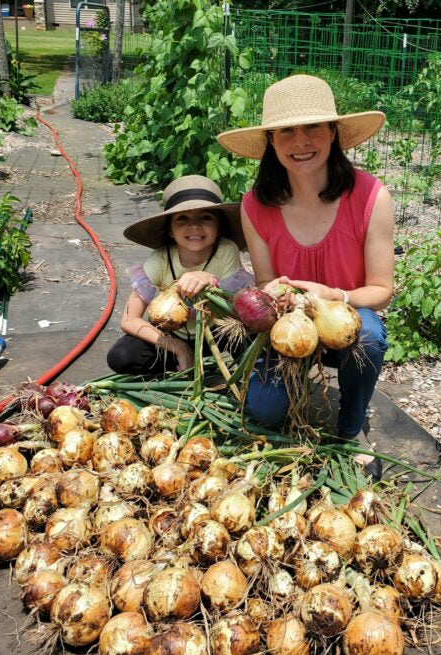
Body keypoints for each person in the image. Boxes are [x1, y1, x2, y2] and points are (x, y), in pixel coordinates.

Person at [217, 74, 394, 478]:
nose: (301, 142)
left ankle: (350, 431)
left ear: (333, 133)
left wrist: (334, 294)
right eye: (286, 131)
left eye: (313, 126)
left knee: (369, 333)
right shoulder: (255, 205)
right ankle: (285, 389)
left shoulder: (370, 197)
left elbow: (382, 291)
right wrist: (274, 290)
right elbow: (265, 283)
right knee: (262, 411)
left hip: (346, 324)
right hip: (288, 325)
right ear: (271, 142)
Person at [107, 175, 252, 376]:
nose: (195, 226)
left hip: (215, 334)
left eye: (206, 217)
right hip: (173, 336)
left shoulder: (226, 250)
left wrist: (210, 281)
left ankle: (215, 368)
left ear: (219, 228)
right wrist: (177, 347)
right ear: (170, 231)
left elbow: (236, 308)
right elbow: (129, 320)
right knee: (121, 356)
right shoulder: (159, 260)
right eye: (183, 218)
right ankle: (184, 362)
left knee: (254, 340)